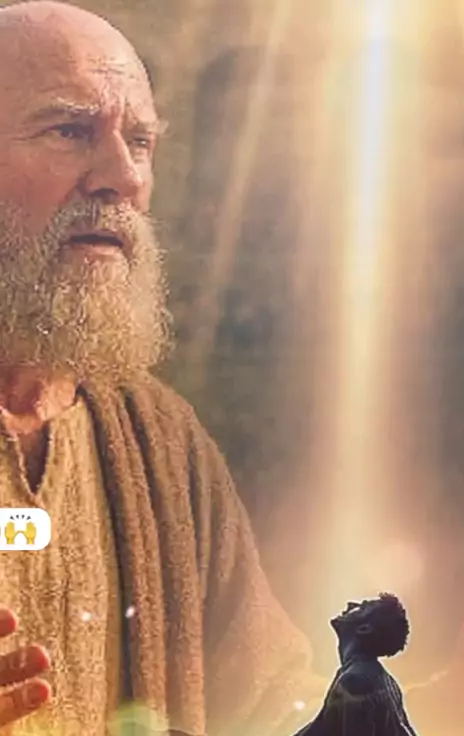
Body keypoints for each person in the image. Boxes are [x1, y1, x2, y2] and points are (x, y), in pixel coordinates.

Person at [0, 2, 322, 735]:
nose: (122, 177)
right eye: (69, 131)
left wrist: (377, 700)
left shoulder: (160, 445)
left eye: (139, 142)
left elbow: (269, 704)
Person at [294, 593, 419, 735]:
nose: (350, 604)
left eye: (362, 607)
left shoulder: (356, 681)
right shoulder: (381, 681)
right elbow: (322, 726)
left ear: (364, 629)